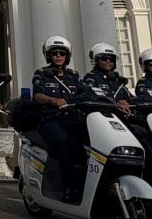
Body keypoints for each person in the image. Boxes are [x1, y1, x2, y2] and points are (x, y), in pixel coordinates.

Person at [32, 35, 86, 202]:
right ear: (49, 56)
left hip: (72, 119)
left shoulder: (74, 76)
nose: (58, 56)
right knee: (63, 143)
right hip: (51, 120)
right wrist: (53, 100)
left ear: (66, 56)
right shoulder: (42, 74)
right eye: (54, 53)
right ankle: (69, 186)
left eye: (62, 53)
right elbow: (37, 96)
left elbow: (84, 94)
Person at [82, 43, 131, 116]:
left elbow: (131, 97)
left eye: (111, 59)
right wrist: (116, 103)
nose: (108, 61)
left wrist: (127, 101)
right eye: (104, 59)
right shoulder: (91, 78)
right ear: (96, 61)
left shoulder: (117, 80)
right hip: (101, 116)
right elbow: (93, 96)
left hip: (120, 116)